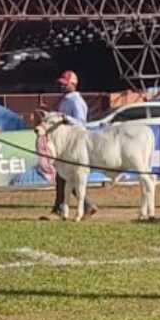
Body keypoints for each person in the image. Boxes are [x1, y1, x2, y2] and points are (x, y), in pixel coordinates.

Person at [42, 70, 97, 220]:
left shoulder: (76, 102)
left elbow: (81, 123)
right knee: (66, 176)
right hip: (64, 143)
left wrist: (65, 119)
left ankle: (60, 210)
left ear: (73, 84)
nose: (62, 86)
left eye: (65, 84)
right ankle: (86, 205)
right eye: (61, 84)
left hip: (74, 144)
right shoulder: (64, 100)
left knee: (65, 176)